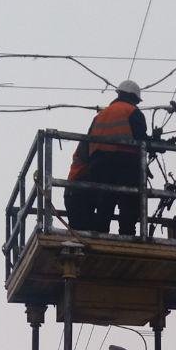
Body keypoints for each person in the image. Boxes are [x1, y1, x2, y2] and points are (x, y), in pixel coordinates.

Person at [83, 79, 148, 235]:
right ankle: (127, 235)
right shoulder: (133, 112)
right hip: (124, 162)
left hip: (98, 166)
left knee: (104, 201)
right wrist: (157, 144)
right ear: (133, 98)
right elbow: (141, 140)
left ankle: (100, 234)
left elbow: (87, 143)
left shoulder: (100, 115)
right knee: (129, 201)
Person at [64, 137, 96, 230]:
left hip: (77, 190)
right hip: (77, 191)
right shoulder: (90, 143)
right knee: (80, 229)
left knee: (84, 229)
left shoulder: (90, 141)